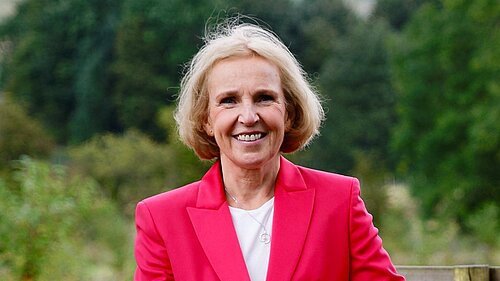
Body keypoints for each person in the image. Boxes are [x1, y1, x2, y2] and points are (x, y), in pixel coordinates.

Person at [134, 20, 406, 281]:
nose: (249, 116)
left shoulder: (339, 202)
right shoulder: (162, 219)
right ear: (206, 119)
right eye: (229, 101)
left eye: (264, 98)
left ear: (289, 112)